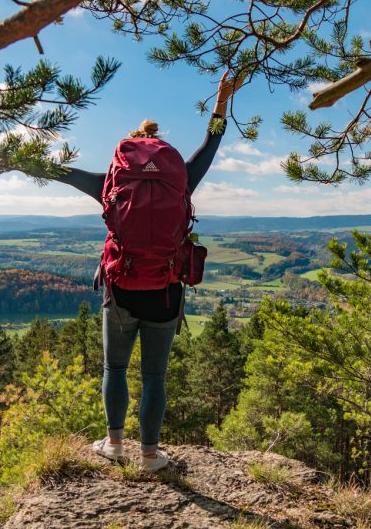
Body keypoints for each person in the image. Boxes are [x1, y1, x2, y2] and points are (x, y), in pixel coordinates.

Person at [51, 71, 242, 471]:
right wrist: (222, 100)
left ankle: (114, 444)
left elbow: (57, 173)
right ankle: (151, 456)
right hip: (167, 290)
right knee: (155, 376)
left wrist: (11, 156)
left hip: (121, 288)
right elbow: (212, 143)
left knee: (115, 368)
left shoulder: (111, 181)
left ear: (128, 151)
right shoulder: (181, 178)